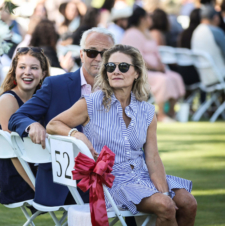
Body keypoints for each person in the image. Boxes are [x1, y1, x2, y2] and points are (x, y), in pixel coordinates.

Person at [46, 44, 197, 226]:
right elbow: (53, 124)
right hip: (111, 181)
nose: (116, 71)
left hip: (142, 175)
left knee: (188, 203)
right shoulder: (92, 103)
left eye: (123, 67)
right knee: (166, 206)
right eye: (111, 67)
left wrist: (163, 192)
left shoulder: (147, 111)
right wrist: (76, 134)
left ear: (137, 73)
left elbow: (153, 158)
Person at [9, 27, 115, 206]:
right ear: (81, 54)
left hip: (114, 175)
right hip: (66, 180)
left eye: (105, 53)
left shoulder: (121, 90)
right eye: (91, 52)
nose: (98, 58)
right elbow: (18, 117)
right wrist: (32, 125)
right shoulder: (55, 85)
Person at [0, 47, 50, 204]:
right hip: (19, 180)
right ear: (14, 71)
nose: (28, 72)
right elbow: (13, 152)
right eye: (22, 67)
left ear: (43, 73)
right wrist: (37, 188)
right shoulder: (8, 100)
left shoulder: (41, 100)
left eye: (34, 68)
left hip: (39, 168)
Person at [121, 7, 185, 122]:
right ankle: (161, 114)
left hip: (155, 69)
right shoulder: (132, 34)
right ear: (142, 19)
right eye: (148, 17)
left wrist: (160, 65)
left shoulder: (147, 33)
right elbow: (136, 58)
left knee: (176, 77)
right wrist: (155, 67)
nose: (151, 19)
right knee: (163, 80)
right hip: (139, 72)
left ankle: (171, 112)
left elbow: (156, 52)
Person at [191, 4, 225, 77]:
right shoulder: (215, 31)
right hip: (220, 75)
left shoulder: (196, 31)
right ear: (215, 18)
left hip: (204, 76)